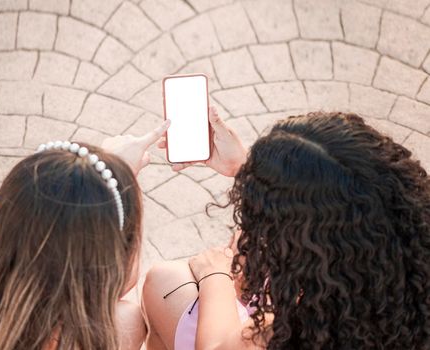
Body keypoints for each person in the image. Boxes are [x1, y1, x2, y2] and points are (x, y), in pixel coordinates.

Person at [143, 110, 430, 349]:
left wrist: (214, 273)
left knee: (163, 282)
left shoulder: (312, 323)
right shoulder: (397, 264)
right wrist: (248, 170)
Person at [0, 120, 170, 350]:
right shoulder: (90, 337)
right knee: (124, 318)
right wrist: (112, 182)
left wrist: (98, 172)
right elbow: (121, 281)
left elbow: (30, 206)